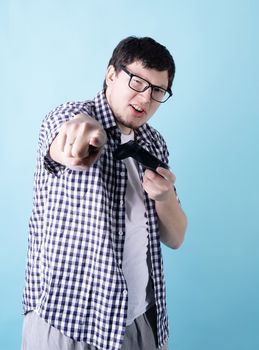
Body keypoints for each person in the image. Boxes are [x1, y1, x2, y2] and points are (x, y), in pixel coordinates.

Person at [21, 36, 187, 350]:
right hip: (68, 320)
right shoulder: (68, 115)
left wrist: (164, 198)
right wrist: (84, 133)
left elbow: (176, 238)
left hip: (140, 319)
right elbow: (69, 137)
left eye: (157, 90)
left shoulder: (154, 143)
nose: (145, 98)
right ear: (111, 75)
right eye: (137, 82)